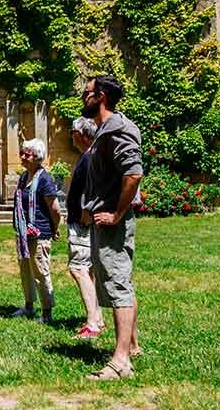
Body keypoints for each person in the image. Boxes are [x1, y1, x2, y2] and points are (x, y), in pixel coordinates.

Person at [81, 75, 143, 380]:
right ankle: (131, 346)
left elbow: (133, 174)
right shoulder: (104, 130)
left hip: (112, 222)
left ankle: (120, 362)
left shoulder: (118, 129)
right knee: (120, 280)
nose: (83, 97)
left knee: (118, 283)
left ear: (101, 95)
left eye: (87, 92)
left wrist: (117, 215)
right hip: (101, 218)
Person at [12, 138, 61, 324]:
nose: (22, 156)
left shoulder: (45, 179)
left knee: (40, 271)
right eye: (22, 152)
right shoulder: (24, 177)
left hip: (40, 233)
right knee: (25, 269)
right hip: (23, 234)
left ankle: (47, 312)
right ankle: (29, 306)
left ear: (37, 157)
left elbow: (55, 209)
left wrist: (55, 228)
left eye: (27, 153)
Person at [67, 117, 103, 339]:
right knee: (89, 269)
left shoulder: (89, 158)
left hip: (83, 221)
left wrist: (85, 214)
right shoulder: (90, 155)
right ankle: (97, 317)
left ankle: (92, 323)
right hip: (84, 220)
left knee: (78, 269)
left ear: (80, 134)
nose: (70, 135)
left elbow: (91, 190)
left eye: (72, 131)